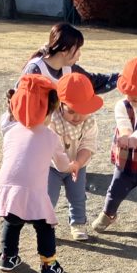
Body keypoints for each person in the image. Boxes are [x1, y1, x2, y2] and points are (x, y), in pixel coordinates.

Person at [0, 74, 77, 273]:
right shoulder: (50, 136)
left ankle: (8, 258)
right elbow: (62, 165)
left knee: (12, 222)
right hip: (33, 192)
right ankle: (49, 265)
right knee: (45, 226)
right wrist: (72, 166)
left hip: (7, 188)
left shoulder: (10, 131)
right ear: (48, 110)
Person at [91, 55, 137, 245]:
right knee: (115, 189)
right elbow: (122, 121)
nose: (132, 97)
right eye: (128, 92)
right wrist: (126, 134)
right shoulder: (121, 105)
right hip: (125, 160)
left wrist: (136, 137)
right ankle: (108, 214)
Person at [48, 72, 102, 241]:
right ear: (60, 104)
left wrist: (78, 163)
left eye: (82, 111)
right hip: (52, 166)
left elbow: (88, 145)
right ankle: (45, 226)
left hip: (78, 165)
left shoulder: (89, 122)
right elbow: (54, 149)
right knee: (48, 197)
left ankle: (78, 223)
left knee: (78, 196)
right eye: (71, 111)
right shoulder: (52, 121)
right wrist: (65, 165)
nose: (77, 117)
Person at [21, 22, 118, 95]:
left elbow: (93, 82)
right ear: (64, 50)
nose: (79, 54)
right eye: (77, 49)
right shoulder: (35, 69)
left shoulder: (68, 69)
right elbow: (23, 103)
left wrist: (120, 78)